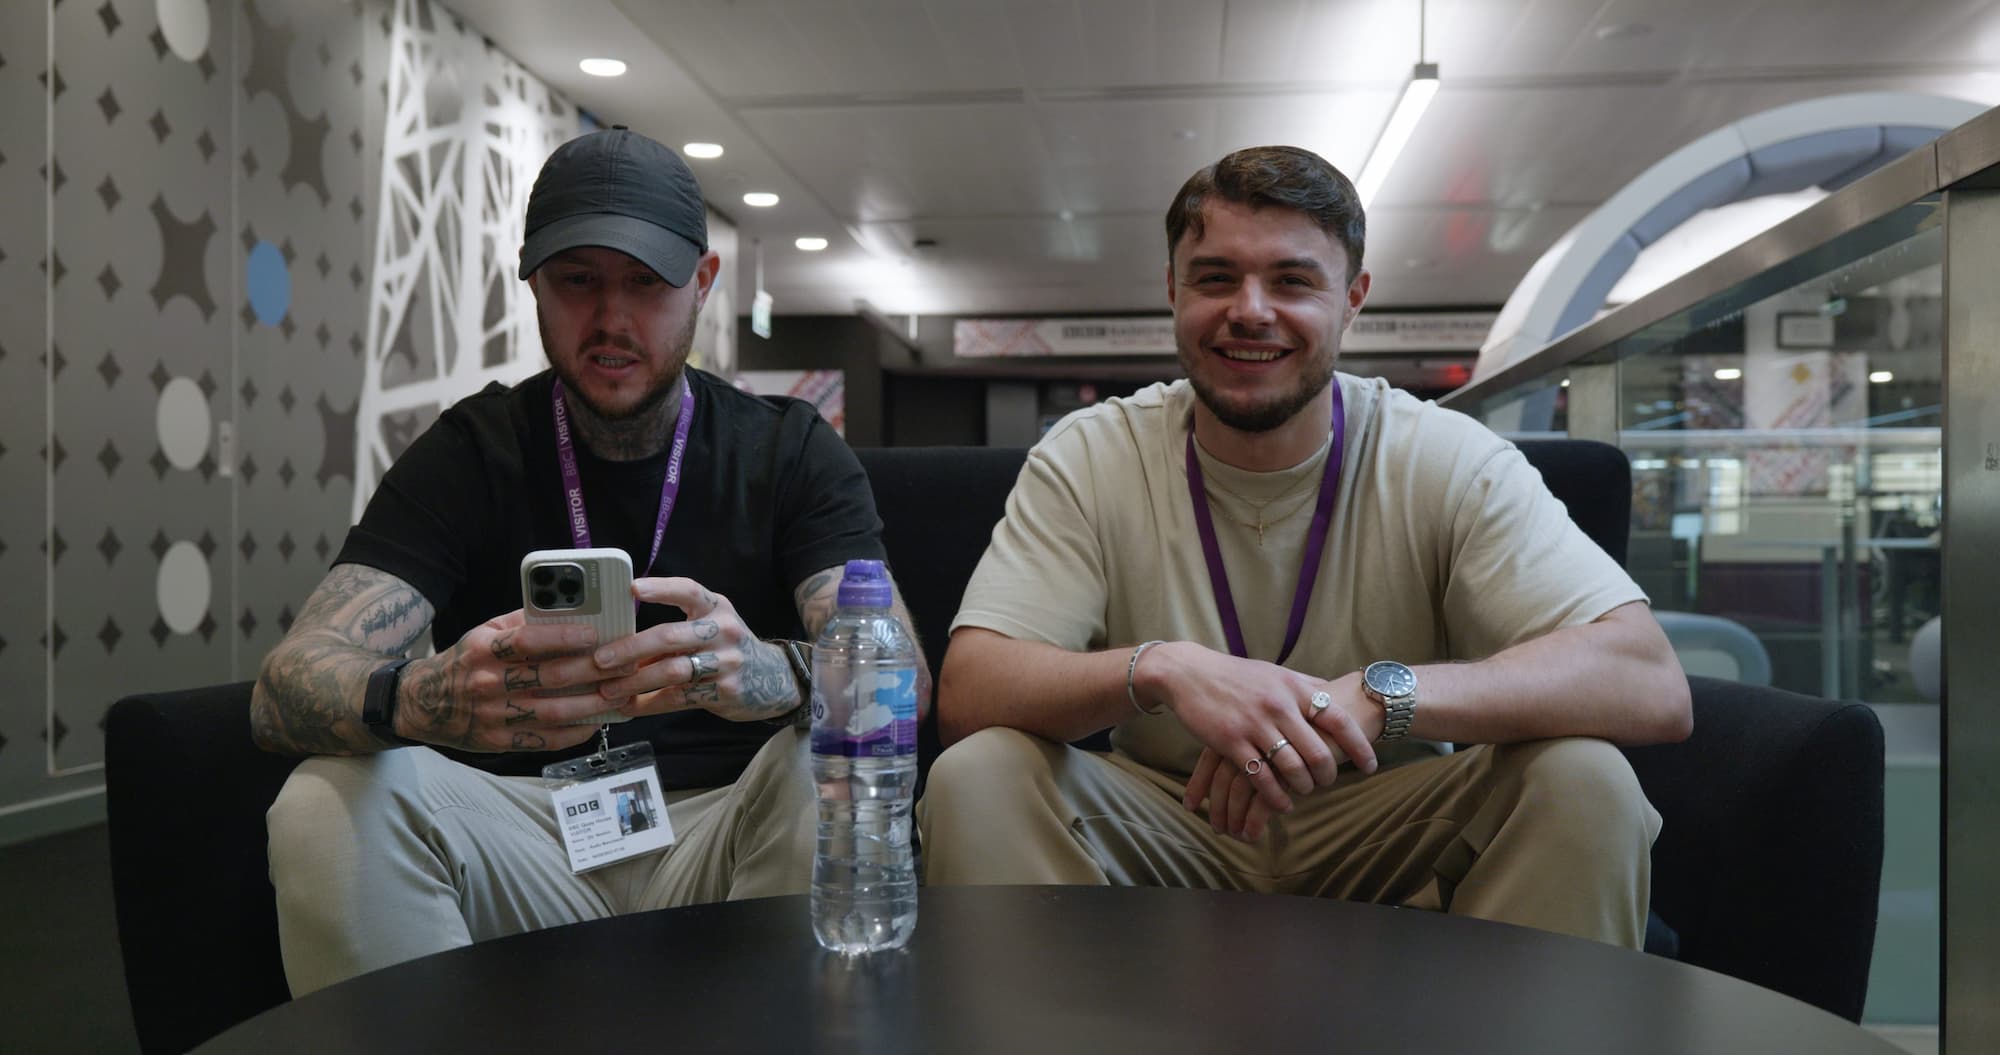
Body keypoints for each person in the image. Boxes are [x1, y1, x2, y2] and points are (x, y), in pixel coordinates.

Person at [918, 145, 1690, 948]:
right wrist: (1164, 669)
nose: (1250, 310)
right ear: (1172, 290)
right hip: (1165, 818)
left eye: (1292, 281)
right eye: (1215, 277)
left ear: (1353, 298)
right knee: (980, 774)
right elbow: (972, 689)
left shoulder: (1446, 455)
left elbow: (1647, 678)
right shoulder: (1091, 452)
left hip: (1391, 819)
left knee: (1586, 777)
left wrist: (1380, 694)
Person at [252, 127, 925, 994]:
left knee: (824, 758)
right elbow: (284, 686)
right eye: (579, 281)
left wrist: (780, 670)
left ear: (702, 284)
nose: (612, 320)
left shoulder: (789, 450)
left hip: (727, 832)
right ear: (534, 282)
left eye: (645, 283)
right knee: (319, 801)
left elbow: (900, 673)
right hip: (524, 837)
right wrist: (419, 697)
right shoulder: (471, 450)